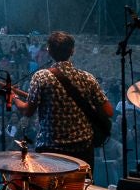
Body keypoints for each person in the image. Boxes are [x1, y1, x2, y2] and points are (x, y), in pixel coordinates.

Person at [12, 31, 112, 162]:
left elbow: (27, 111)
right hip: (82, 149)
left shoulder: (41, 77)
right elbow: (109, 111)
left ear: (49, 51)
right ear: (72, 51)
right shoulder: (88, 78)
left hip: (50, 149)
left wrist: (13, 96)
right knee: (81, 183)